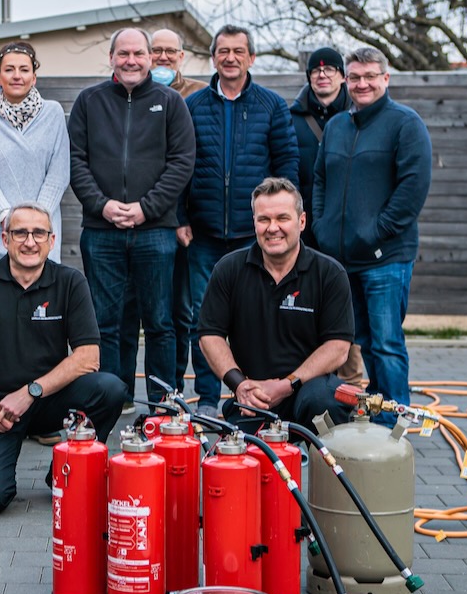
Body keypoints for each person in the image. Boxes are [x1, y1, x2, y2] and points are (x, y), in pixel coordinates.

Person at [0, 203, 126, 515]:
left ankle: (67, 471)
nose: (30, 241)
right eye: (20, 232)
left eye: (39, 233)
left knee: (110, 389)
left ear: (52, 240)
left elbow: (88, 357)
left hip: (45, 398)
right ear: (4, 238)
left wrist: (30, 392)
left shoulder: (70, 282)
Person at [67, 27, 195, 412]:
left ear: (150, 57)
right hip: (101, 231)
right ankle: (110, 399)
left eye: (138, 53)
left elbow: (181, 162)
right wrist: (102, 205)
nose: (131, 61)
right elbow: (75, 160)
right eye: (123, 54)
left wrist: (146, 207)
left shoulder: (171, 103)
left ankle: (164, 404)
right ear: (111, 58)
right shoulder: (89, 102)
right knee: (104, 323)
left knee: (159, 323)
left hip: (155, 232)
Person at [182, 25, 299, 416]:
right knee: (206, 318)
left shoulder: (271, 105)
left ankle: (253, 396)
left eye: (238, 51)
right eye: (223, 51)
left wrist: (283, 220)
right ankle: (208, 400)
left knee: (255, 317)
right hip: (205, 233)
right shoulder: (194, 105)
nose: (230, 57)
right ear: (213, 57)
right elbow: (181, 165)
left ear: (251, 58)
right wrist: (181, 217)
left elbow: (286, 165)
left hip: (256, 236)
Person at [313, 46, 432, 427]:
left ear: (385, 78)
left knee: (386, 344)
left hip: (386, 257)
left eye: (370, 76)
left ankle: (394, 422)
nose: (362, 84)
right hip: (342, 258)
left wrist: (376, 234)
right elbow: (319, 180)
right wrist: (321, 226)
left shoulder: (405, 124)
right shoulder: (337, 126)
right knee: (357, 340)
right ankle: (370, 411)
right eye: (355, 77)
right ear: (346, 80)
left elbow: (412, 190)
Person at [197, 177, 353, 428]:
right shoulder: (229, 269)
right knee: (241, 460)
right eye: (264, 219)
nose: (272, 228)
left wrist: (287, 384)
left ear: (302, 221)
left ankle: (323, 463)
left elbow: (338, 347)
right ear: (254, 223)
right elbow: (209, 335)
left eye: (282, 218)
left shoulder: (329, 274)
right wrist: (239, 384)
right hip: (255, 395)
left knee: (326, 401)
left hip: (308, 389)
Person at [120, 27, 207, 407]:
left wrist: (183, 214)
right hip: (135, 221)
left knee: (176, 313)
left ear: (182, 56)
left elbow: (189, 162)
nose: (163, 57)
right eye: (157, 50)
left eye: (171, 51)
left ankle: (170, 388)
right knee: (128, 311)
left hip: (181, 223)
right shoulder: (127, 93)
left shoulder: (199, 94)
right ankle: (120, 391)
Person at [0, 41, 70, 263]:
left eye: (24, 70)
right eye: (9, 69)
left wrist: (35, 223)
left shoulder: (53, 114)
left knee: (42, 296)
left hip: (43, 231)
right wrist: (8, 218)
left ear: (34, 77)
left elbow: (58, 174)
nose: (17, 76)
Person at [290, 47, 350, 249]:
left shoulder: (358, 117)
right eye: (315, 70)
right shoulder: (289, 119)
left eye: (330, 69)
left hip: (347, 222)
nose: (322, 75)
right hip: (302, 223)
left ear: (343, 76)